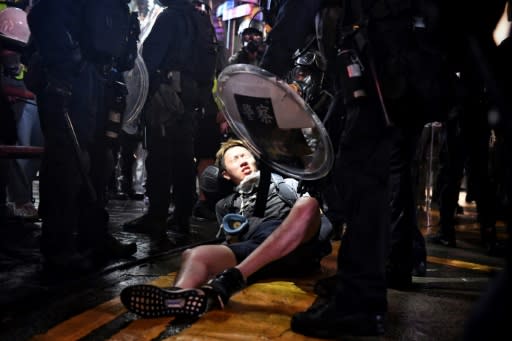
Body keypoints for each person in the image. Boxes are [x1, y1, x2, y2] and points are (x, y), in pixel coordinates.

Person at [120, 138, 332, 318]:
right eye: (234, 159)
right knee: (195, 254)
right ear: (225, 175)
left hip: (298, 246)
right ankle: (179, 298)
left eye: (244, 155)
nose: (242, 160)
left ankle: (233, 278)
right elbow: (231, 242)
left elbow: (317, 216)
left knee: (308, 203)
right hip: (257, 251)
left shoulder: (287, 184)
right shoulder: (226, 205)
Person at [26, 0, 138, 273]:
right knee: (68, 160)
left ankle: (93, 235)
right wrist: (65, 65)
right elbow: (43, 17)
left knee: (101, 161)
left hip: (102, 77)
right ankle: (58, 245)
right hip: (73, 77)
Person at [123, 0, 214, 246]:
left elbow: (150, 60)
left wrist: (142, 97)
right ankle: (182, 216)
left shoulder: (169, 18)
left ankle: (157, 218)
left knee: (160, 158)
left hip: (166, 95)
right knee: (184, 158)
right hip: (191, 96)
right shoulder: (202, 21)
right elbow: (209, 65)